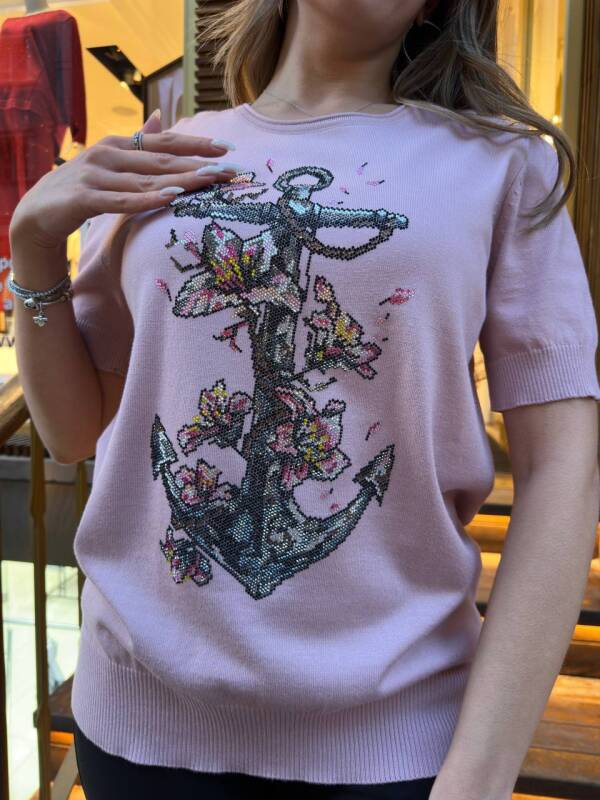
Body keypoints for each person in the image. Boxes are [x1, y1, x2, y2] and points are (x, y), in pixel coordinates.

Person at [9, 1, 600, 798]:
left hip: (391, 747)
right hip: (138, 730)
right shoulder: (166, 155)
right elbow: (74, 430)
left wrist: (480, 777)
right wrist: (34, 245)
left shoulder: (502, 166)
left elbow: (563, 468)